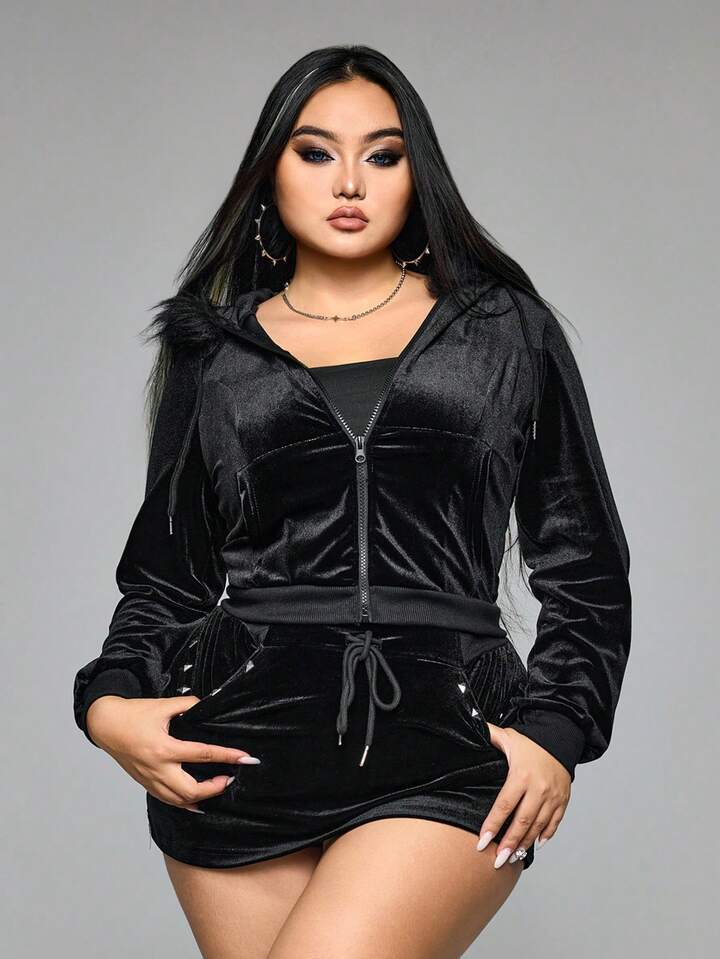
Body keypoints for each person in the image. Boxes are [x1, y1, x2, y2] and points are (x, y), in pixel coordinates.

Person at [72, 45, 632, 958]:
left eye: (382, 154)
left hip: (448, 737)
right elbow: (167, 578)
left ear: (418, 174)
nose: (349, 183)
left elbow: (586, 565)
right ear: (271, 171)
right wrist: (106, 705)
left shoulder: (503, 332)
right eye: (315, 152)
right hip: (239, 749)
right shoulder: (213, 352)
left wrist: (558, 728)